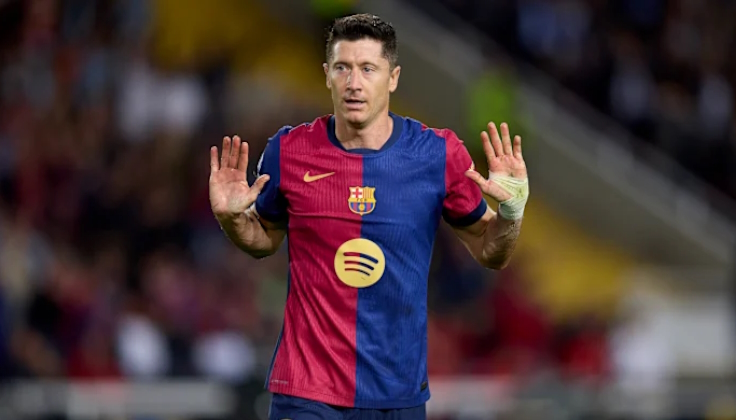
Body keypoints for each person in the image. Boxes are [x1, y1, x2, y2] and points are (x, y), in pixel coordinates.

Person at [208, 13, 529, 420]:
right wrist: (232, 219)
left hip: (397, 394)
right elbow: (264, 239)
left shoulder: (437, 155)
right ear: (327, 75)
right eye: (342, 68)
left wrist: (511, 213)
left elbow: (491, 251)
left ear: (392, 78)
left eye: (367, 69)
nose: (353, 83)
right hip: (308, 390)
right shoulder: (289, 151)